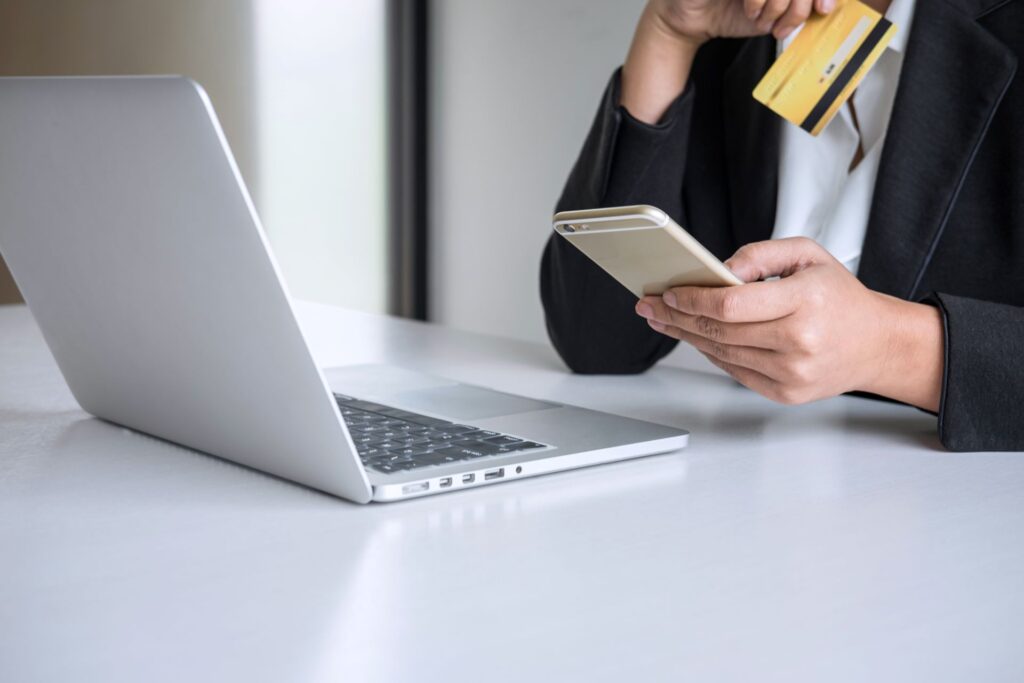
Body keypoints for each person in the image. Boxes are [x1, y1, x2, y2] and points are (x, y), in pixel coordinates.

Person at [540, 0, 1024, 451]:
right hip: (753, 487)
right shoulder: (738, 34)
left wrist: (889, 348)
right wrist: (668, 32)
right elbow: (597, 341)